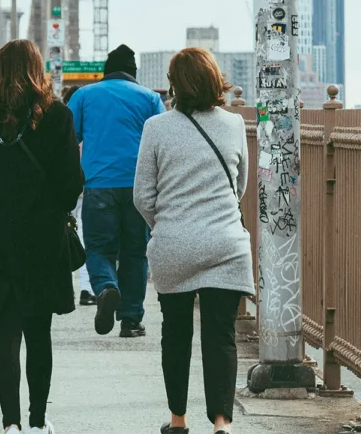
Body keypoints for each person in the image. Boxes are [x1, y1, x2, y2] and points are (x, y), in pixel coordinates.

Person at [0, 40, 84, 434]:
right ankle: (39, 422)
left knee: (4, 332)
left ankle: (10, 424)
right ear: (36, 69)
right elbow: (71, 182)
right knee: (38, 332)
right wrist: (56, 210)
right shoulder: (57, 116)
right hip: (41, 238)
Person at [134, 48, 253, 434]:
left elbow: (142, 196)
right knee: (221, 335)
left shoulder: (156, 127)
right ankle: (222, 424)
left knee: (176, 333)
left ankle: (178, 421)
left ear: (174, 85)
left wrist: (168, 224)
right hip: (225, 245)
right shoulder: (234, 124)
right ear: (214, 81)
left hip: (174, 246)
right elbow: (241, 186)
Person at [67, 43, 164, 338]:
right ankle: (131, 320)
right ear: (133, 72)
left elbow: (68, 137)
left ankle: (106, 287)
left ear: (106, 71)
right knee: (135, 253)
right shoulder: (149, 98)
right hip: (138, 187)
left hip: (98, 185)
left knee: (98, 248)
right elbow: (162, 140)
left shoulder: (84, 95)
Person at [61, 85, 94, 306]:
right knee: (82, 237)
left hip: (63, 190)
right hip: (87, 186)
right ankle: (86, 288)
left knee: (63, 238)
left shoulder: (60, 124)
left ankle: (65, 286)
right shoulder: (90, 125)